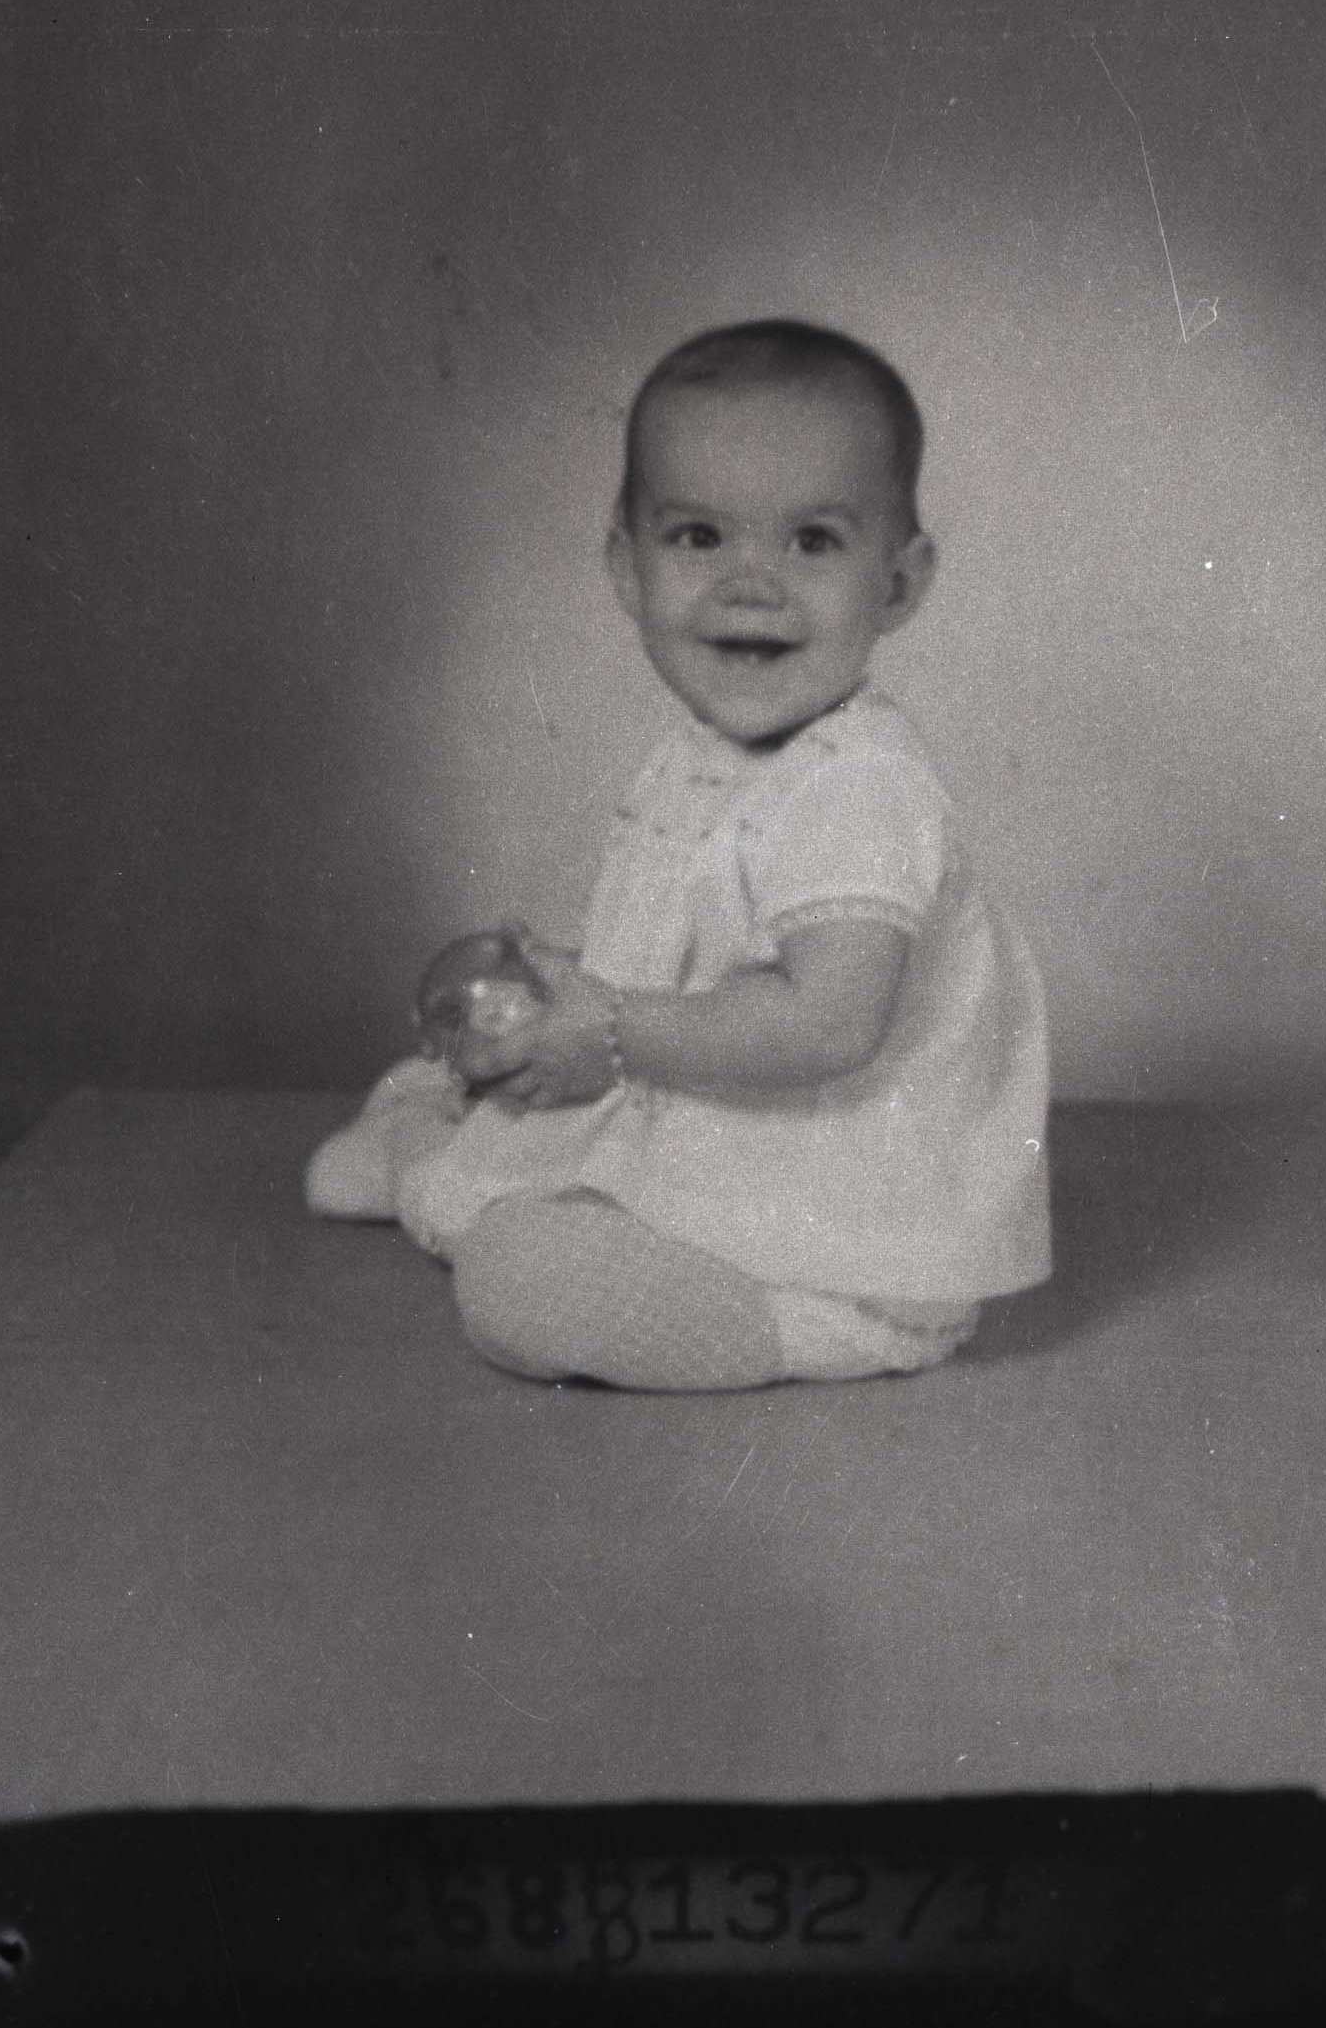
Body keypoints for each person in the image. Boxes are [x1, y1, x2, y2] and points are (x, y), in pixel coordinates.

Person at [303, 318, 1049, 1388]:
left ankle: (760, 1316)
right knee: (529, 1128)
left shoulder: (860, 786)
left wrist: (607, 1026)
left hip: (841, 1211)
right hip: (712, 1121)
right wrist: (574, 987)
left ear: (897, 584)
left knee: (540, 1274)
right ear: (627, 567)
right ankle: (441, 1148)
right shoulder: (701, 758)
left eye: (813, 542)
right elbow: (700, 958)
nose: (752, 583)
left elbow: (830, 1024)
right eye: (699, 536)